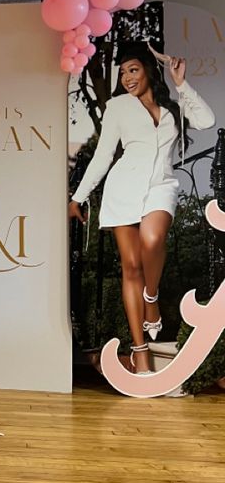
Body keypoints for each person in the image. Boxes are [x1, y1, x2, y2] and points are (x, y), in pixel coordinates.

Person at [69, 42, 215, 375]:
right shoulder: (118, 106)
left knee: (152, 240)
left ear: (149, 69)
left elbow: (207, 121)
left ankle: (152, 298)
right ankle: (140, 351)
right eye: (122, 73)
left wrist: (181, 84)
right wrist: (78, 197)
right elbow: (105, 154)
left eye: (133, 69)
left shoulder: (174, 107)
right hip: (123, 191)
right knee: (130, 268)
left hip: (161, 187)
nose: (126, 78)